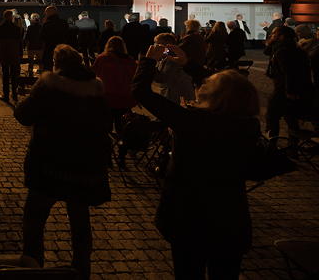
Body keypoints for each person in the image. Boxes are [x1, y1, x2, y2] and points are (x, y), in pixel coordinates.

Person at [132, 45, 261, 280]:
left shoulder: (192, 122)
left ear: (213, 95)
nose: (202, 86)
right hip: (230, 217)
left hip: (189, 216)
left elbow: (141, 92)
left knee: (188, 273)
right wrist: (189, 64)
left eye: (207, 86)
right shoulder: (248, 126)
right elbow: (230, 88)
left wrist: (148, 61)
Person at [15, 44, 111, 277]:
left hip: (49, 163)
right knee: (79, 220)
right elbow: (106, 124)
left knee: (34, 219)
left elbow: (23, 115)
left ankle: (33, 265)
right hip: (83, 166)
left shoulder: (48, 85)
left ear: (57, 64)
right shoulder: (96, 88)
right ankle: (81, 269)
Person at [92, 36, 137, 164]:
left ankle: (107, 156)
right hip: (124, 99)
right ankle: (121, 155)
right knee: (122, 129)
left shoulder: (102, 59)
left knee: (104, 128)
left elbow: (94, 75)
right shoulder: (130, 61)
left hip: (106, 98)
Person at [266, 26, 313, 143]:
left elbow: (289, 72)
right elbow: (266, 51)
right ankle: (293, 148)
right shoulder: (293, 48)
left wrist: (290, 91)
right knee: (290, 117)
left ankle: (272, 145)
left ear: (281, 36)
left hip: (284, 90)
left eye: (273, 34)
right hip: (294, 89)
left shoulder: (283, 51)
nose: (271, 36)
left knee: (272, 116)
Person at [151, 33, 195, 105]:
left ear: (167, 45)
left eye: (158, 44)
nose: (155, 46)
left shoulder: (172, 59)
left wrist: (149, 66)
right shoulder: (166, 56)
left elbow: (162, 78)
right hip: (174, 94)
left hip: (176, 97)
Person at [0, 10, 23, 103]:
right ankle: (14, 94)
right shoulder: (16, 28)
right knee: (14, 74)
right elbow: (19, 42)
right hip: (14, 53)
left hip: (4, 53)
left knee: (5, 75)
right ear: (11, 17)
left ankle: (6, 95)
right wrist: (20, 53)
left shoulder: (0, 27)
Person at [40, 5, 69, 71]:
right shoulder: (63, 23)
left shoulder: (47, 24)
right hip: (61, 49)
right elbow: (67, 35)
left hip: (49, 50)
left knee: (48, 68)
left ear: (48, 13)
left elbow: (42, 37)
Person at [180, 19, 208, 85]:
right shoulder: (200, 37)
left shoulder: (188, 37)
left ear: (189, 27)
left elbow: (180, 49)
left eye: (186, 26)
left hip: (191, 63)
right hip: (199, 62)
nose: (186, 28)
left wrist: (166, 51)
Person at [25, 13, 43, 77]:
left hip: (31, 47)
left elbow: (27, 38)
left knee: (31, 63)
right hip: (40, 47)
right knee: (40, 62)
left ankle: (30, 76)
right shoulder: (41, 27)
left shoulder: (30, 27)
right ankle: (41, 76)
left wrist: (27, 47)